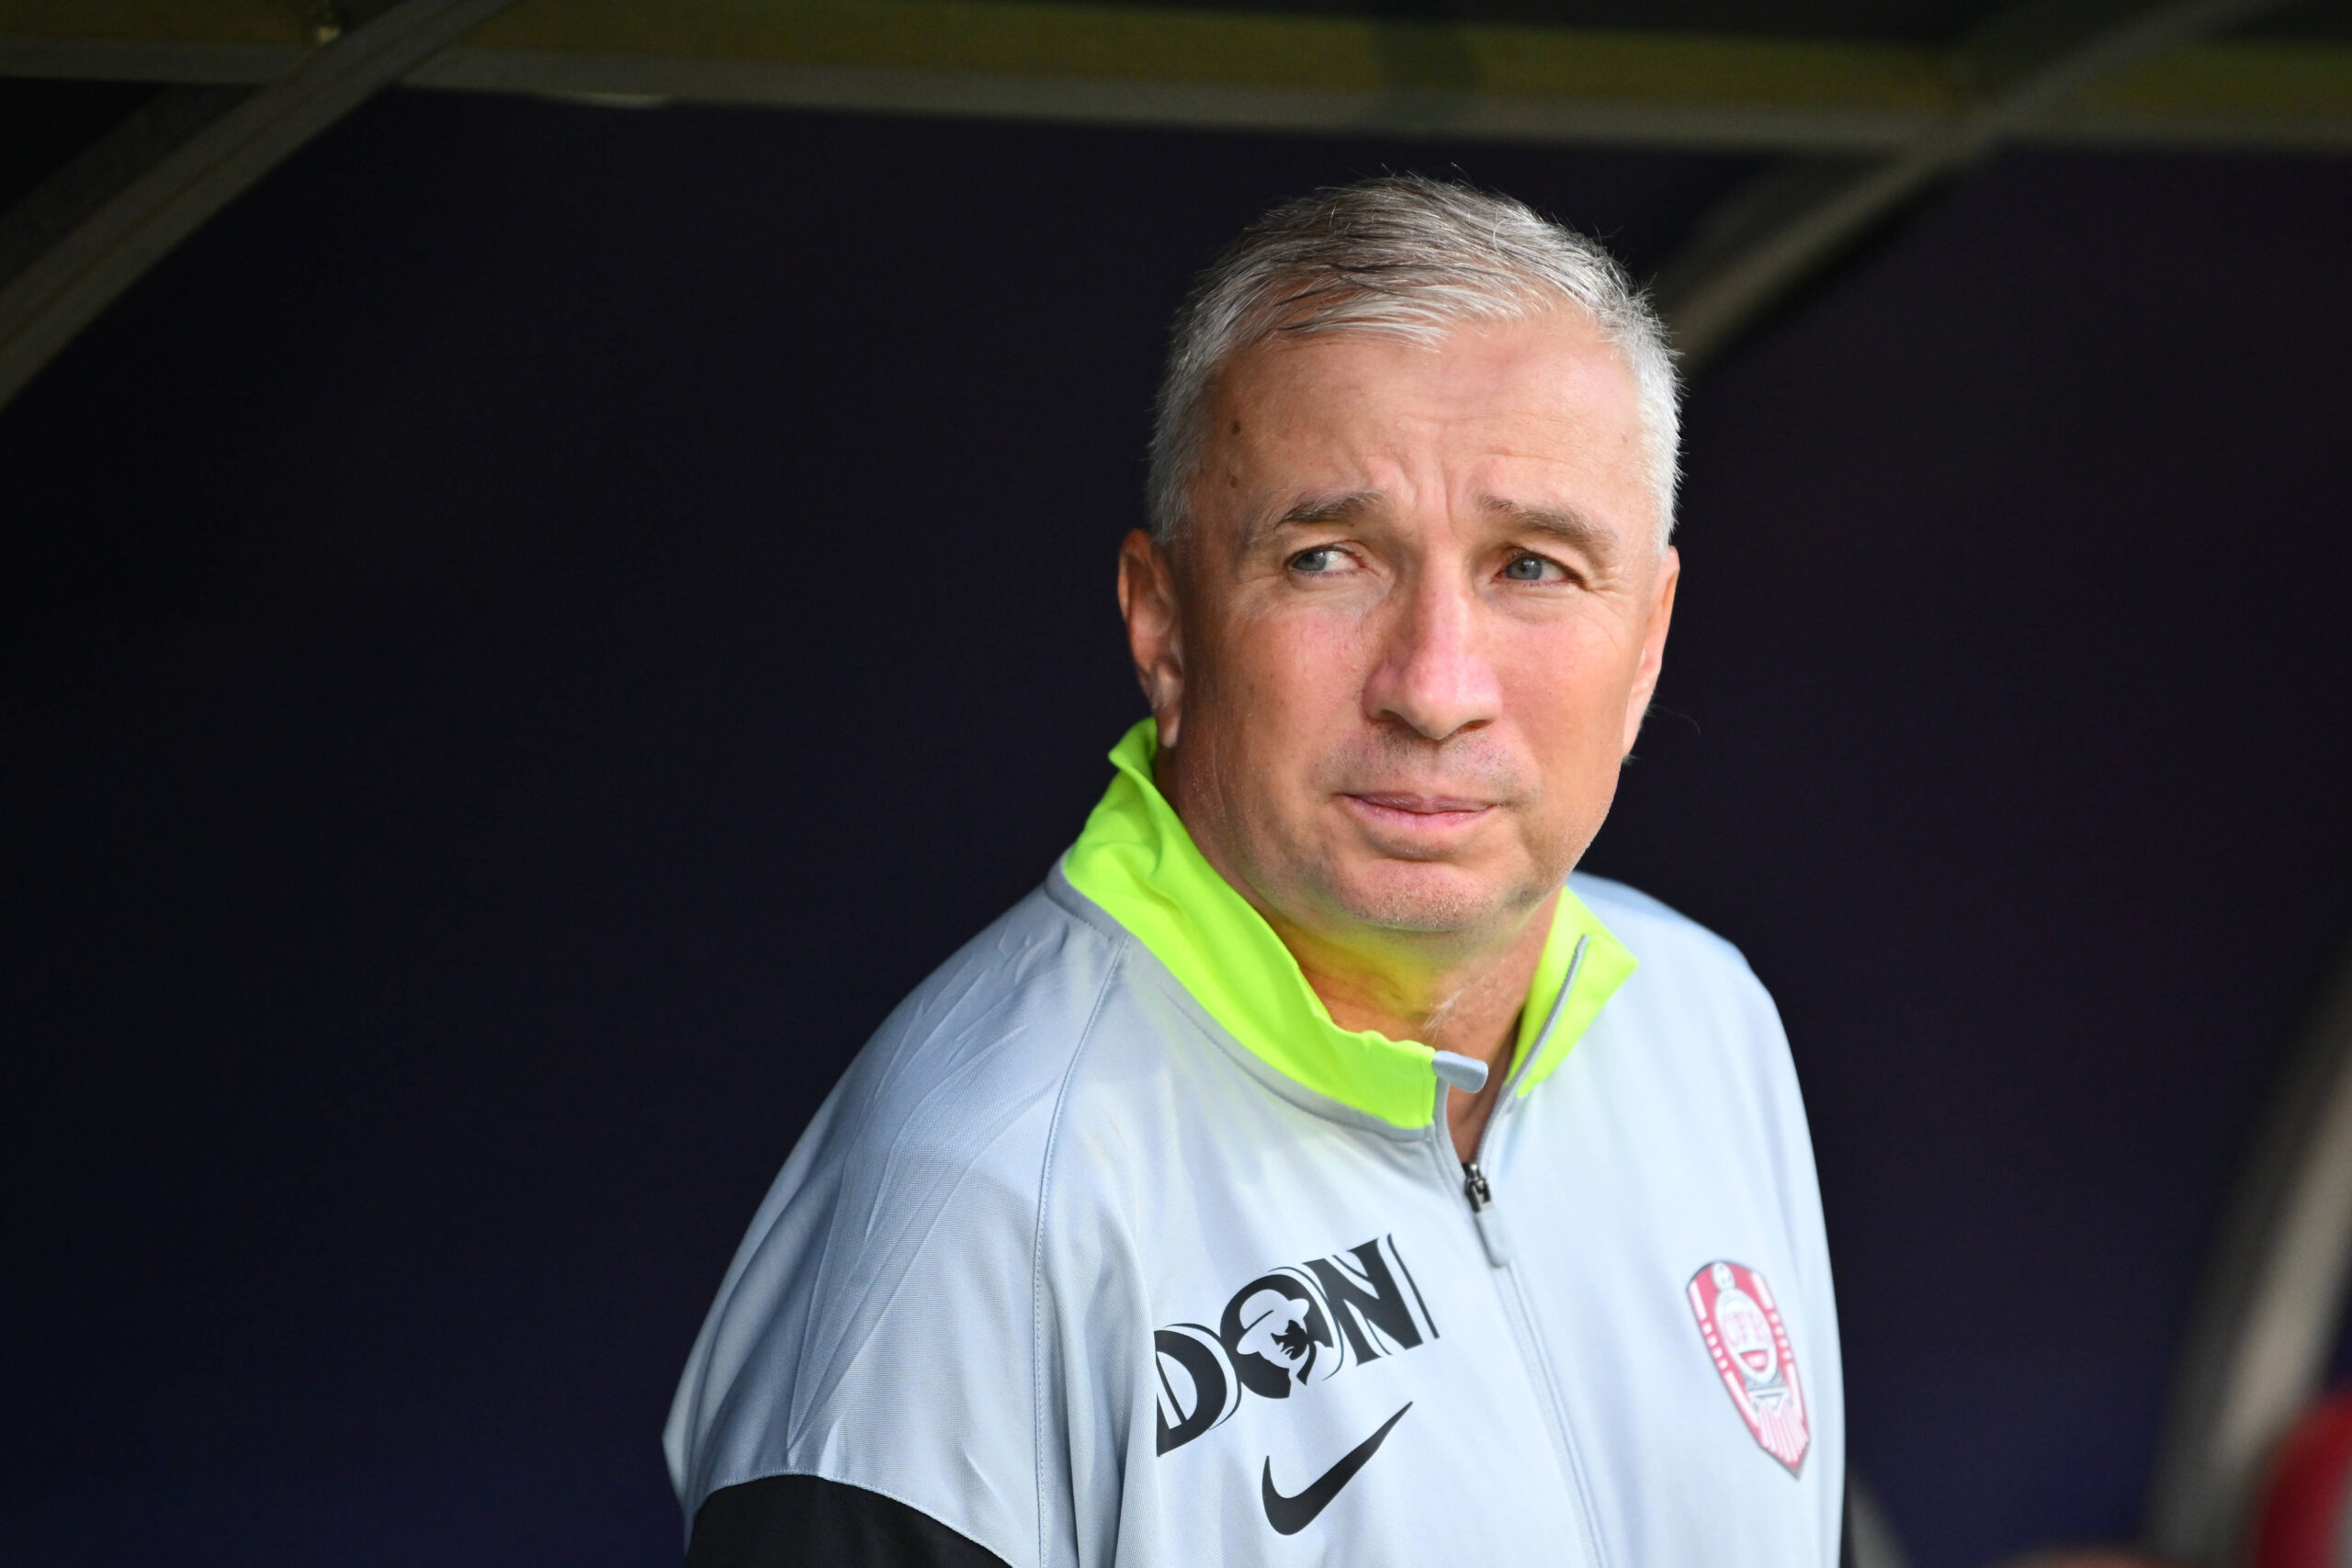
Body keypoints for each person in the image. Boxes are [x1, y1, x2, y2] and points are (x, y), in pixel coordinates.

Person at [664, 175, 1842, 1567]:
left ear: (1647, 645)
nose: (1437, 687)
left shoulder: (1709, 1025)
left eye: (1531, 566)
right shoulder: (971, 1198)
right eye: (1329, 558)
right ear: (1164, 627)